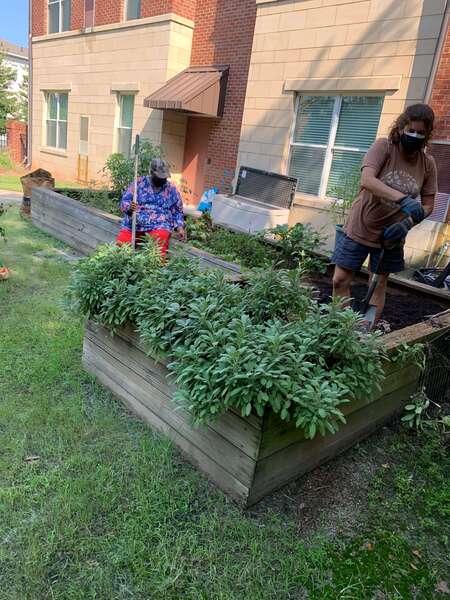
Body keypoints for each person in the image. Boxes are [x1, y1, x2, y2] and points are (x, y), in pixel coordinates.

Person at [332, 103, 438, 323]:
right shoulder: (384, 147)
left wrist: (407, 224)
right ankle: (341, 328)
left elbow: (429, 204)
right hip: (361, 225)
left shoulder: (428, 164)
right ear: (401, 128)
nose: (415, 135)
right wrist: (402, 199)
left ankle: (365, 334)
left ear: (427, 134)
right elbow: (367, 180)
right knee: (340, 280)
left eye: (421, 133)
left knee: (378, 283)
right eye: (411, 130)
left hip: (392, 235)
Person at [116, 158, 186, 255]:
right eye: (159, 177)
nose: (162, 179)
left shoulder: (171, 189)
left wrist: (180, 227)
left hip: (158, 226)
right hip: (134, 226)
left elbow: (178, 211)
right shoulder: (139, 183)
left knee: (157, 253)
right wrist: (129, 208)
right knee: (119, 251)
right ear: (151, 172)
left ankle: (154, 268)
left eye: (164, 177)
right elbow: (125, 201)